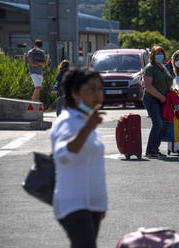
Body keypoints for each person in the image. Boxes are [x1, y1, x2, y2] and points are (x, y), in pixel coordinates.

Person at [50, 67, 107, 248]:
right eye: (91, 89)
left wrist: (100, 202)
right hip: (73, 203)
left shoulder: (86, 119)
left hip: (92, 203)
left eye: (100, 88)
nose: (98, 94)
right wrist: (88, 128)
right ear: (75, 93)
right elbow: (63, 154)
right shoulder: (68, 121)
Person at [143, 45, 173, 158]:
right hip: (152, 99)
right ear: (152, 55)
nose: (159, 55)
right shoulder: (150, 68)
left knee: (163, 124)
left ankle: (155, 148)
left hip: (163, 99)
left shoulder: (163, 67)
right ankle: (150, 150)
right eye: (157, 53)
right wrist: (160, 97)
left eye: (161, 53)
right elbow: (148, 86)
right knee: (158, 123)